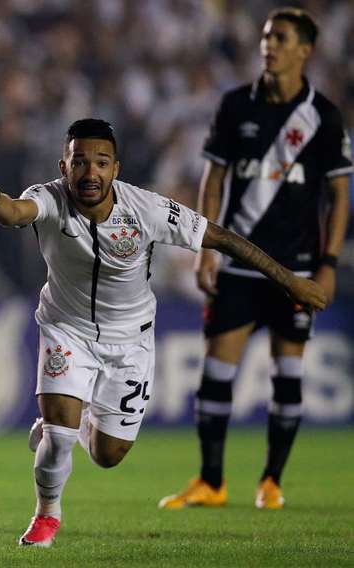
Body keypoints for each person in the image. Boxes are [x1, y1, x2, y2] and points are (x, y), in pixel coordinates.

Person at [0, 117, 327, 547]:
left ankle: (76, 421)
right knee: (60, 439)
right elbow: (13, 212)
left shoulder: (147, 210)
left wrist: (289, 280)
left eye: (101, 162)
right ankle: (47, 516)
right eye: (79, 162)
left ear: (115, 169)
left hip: (131, 340)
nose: (90, 172)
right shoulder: (47, 198)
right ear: (63, 167)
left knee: (108, 455)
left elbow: (223, 239)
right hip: (66, 328)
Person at [159, 8, 351, 511]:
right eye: (266, 36)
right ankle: (211, 481)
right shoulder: (234, 106)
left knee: (288, 372)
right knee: (216, 372)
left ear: (304, 49)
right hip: (239, 263)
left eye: (280, 38)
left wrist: (327, 262)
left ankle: (271, 481)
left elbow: (338, 194)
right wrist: (203, 246)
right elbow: (214, 179)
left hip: (297, 268)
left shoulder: (323, 117)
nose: (269, 44)